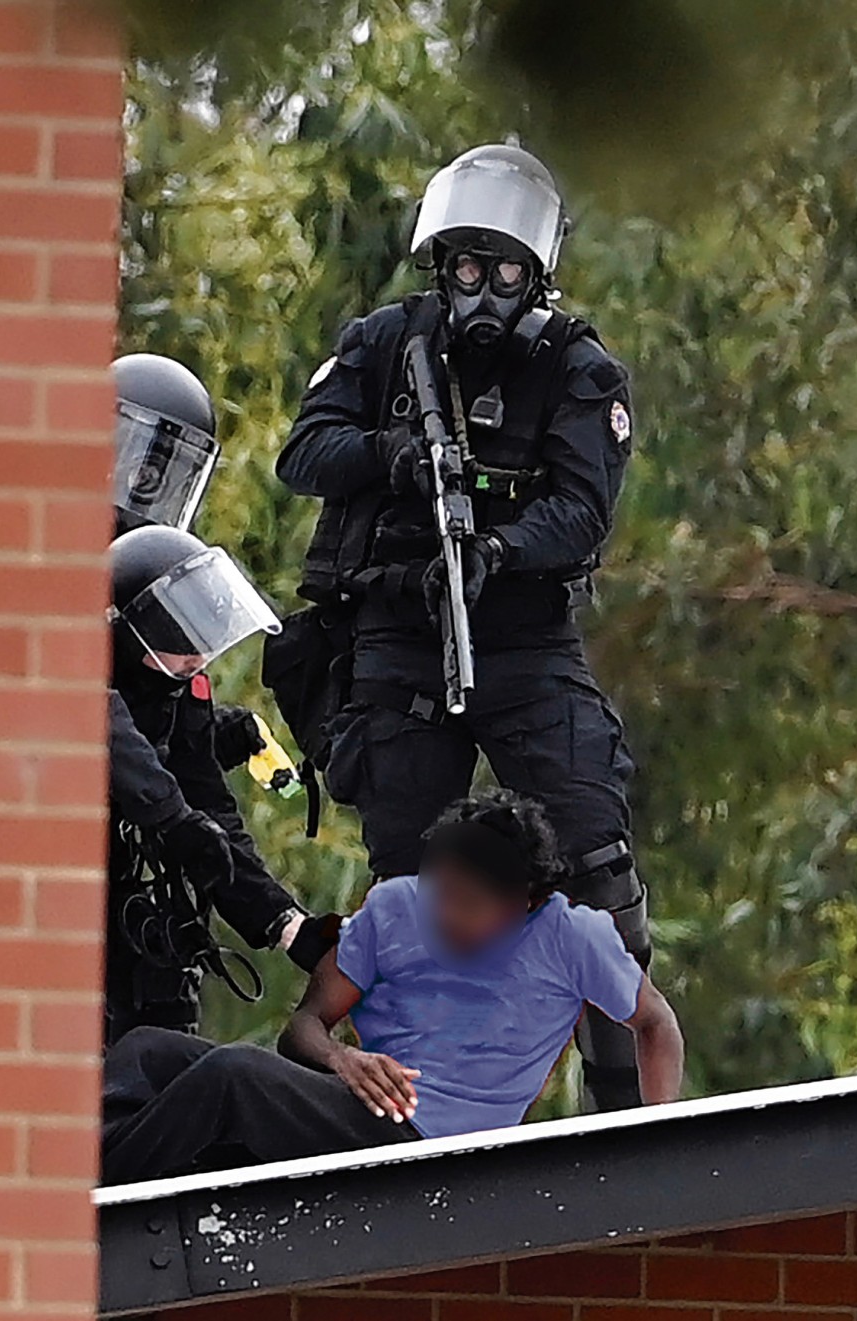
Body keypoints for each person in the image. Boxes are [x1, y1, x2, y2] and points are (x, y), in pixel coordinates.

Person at [274, 143, 647, 1110]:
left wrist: (496, 549)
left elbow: (581, 510)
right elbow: (302, 453)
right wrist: (396, 455)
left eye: (506, 272)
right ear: (443, 269)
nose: (483, 292)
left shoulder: (578, 369)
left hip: (521, 637)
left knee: (598, 866)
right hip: (398, 631)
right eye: (467, 270)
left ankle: (619, 1119)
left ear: (539, 276)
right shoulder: (385, 342)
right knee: (410, 892)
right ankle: (395, 1104)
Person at [100, 790, 683, 1185]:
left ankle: (82, 1192)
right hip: (361, 1109)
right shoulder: (394, 907)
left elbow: (655, 1023)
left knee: (231, 1076)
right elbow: (301, 1030)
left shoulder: (572, 936)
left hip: (439, 1145)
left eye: (469, 904)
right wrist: (341, 1058)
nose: (446, 914)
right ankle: (85, 1160)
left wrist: (658, 1137)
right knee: (147, 1050)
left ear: (523, 902)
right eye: (442, 892)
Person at [106, 524, 339, 1046]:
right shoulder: (79, 670)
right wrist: (173, 819)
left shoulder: (183, 685)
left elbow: (211, 807)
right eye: (181, 644)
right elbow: (113, 738)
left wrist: (285, 923)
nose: (197, 660)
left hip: (138, 919)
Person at [112, 351, 266, 775]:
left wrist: (213, 736)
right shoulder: (48, 555)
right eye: (136, 456)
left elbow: (157, 728)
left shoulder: (162, 570)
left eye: (168, 466)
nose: (145, 479)